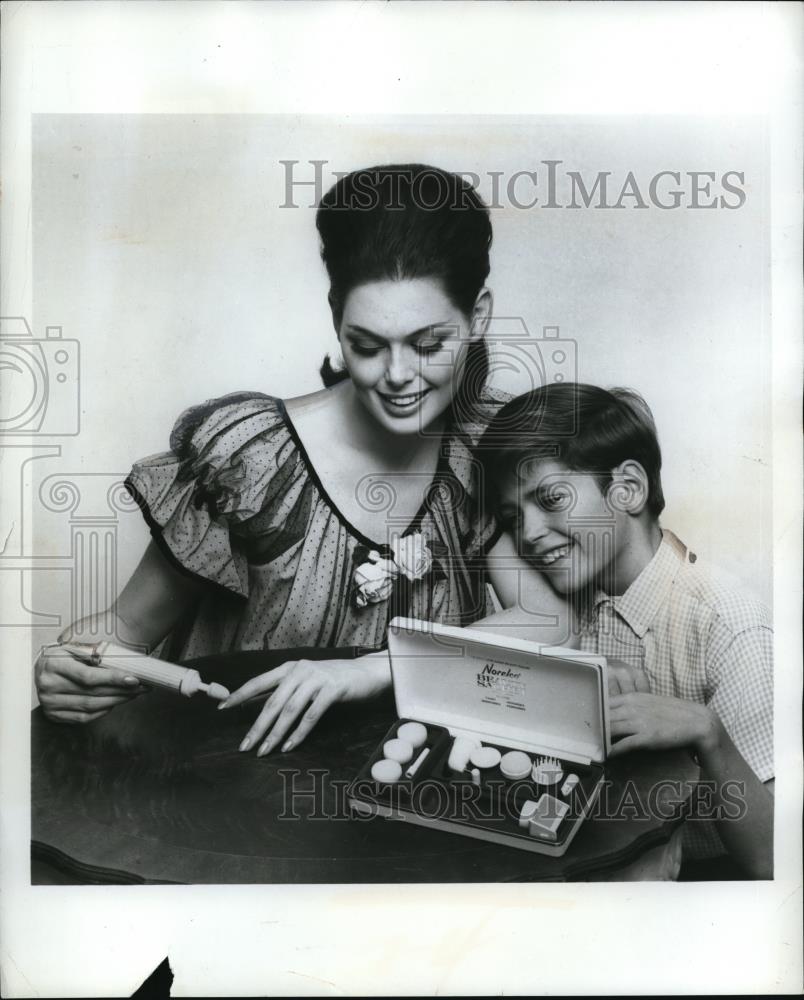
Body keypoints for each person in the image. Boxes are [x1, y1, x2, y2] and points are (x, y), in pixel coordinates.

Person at [34, 163, 569, 755]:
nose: (397, 377)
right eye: (366, 346)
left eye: (428, 344)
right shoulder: (252, 455)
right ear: (336, 321)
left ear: (480, 317)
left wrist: (372, 668)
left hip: (403, 797)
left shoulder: (482, 445)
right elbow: (121, 635)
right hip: (228, 791)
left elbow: (548, 621)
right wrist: (68, 669)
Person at [476, 382, 774, 878]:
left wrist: (709, 736)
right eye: (513, 516)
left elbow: (773, 864)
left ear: (629, 489)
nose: (527, 533)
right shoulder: (562, 601)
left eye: (550, 499)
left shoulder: (731, 627)